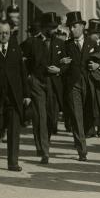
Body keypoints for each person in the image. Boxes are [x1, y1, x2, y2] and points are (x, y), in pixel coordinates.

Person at [20, 12, 68, 163]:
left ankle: (44, 143)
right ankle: (43, 151)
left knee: (52, 119)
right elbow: (20, 61)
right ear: (44, 27)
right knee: (40, 116)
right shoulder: (31, 42)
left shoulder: (60, 43)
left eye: (55, 27)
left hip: (53, 84)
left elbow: (67, 64)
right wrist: (27, 78)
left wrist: (60, 69)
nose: (54, 30)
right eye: (51, 27)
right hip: (37, 82)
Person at [0, 20, 31, 171]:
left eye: (7, 33)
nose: (4, 36)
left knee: (14, 131)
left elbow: (22, 73)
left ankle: (13, 162)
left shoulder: (14, 48)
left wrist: (26, 94)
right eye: (1, 33)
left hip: (13, 98)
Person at [64, 11, 97, 161]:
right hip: (73, 85)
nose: (71, 29)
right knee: (77, 117)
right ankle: (82, 150)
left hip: (88, 83)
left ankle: (85, 136)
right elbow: (61, 64)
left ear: (82, 27)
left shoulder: (92, 43)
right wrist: (62, 64)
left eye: (74, 26)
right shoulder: (67, 45)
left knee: (87, 114)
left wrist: (97, 65)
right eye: (70, 27)